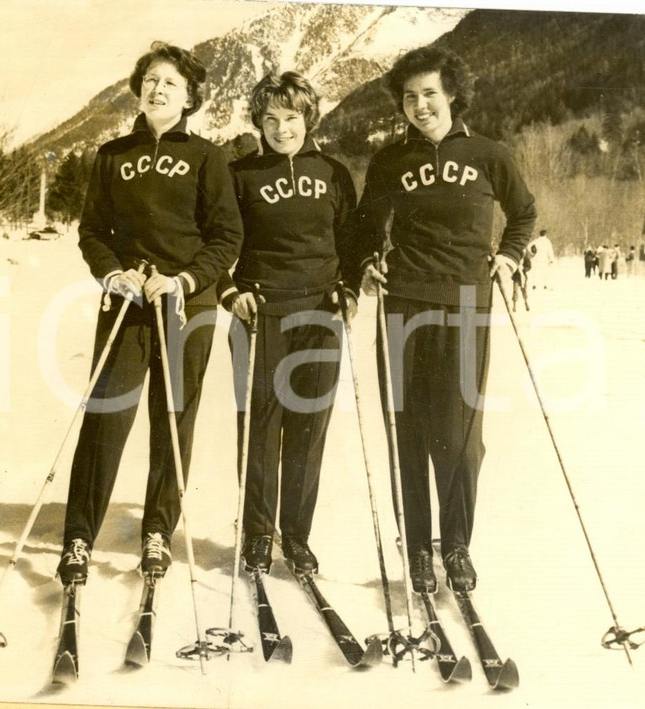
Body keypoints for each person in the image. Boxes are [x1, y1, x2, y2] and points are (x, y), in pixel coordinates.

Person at [57, 42, 243, 585]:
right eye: (151, 80)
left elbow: (226, 236)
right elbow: (92, 231)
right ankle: (78, 535)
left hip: (188, 305)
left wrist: (183, 279)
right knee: (106, 417)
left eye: (170, 84)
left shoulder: (209, 158)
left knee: (173, 419)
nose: (157, 90)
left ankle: (158, 529)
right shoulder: (112, 154)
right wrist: (114, 274)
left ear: (189, 98)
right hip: (128, 304)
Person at [357, 46, 536, 594]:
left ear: (452, 93)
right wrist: (365, 262)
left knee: (460, 434)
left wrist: (507, 256)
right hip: (403, 305)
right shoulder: (390, 161)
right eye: (409, 97)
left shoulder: (489, 154)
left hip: (465, 305)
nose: (420, 106)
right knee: (407, 429)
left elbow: (523, 213)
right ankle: (416, 548)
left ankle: (455, 545)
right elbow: (366, 223)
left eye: (429, 93)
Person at [217, 72, 360, 575]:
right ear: (258, 122)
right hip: (260, 311)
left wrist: (350, 286)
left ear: (309, 119)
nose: (282, 129)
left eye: (292, 118)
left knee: (308, 426)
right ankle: (257, 534)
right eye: (271, 119)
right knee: (260, 426)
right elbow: (214, 242)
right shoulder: (239, 175)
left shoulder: (334, 173)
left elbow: (354, 242)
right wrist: (228, 290)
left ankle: (296, 536)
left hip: (320, 312)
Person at [512, 245, 532, 311]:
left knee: (524, 290)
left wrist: (524, 269)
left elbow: (529, 266)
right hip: (516, 276)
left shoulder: (526, 258)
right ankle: (514, 305)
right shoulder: (515, 257)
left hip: (523, 276)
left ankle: (526, 303)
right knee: (515, 291)